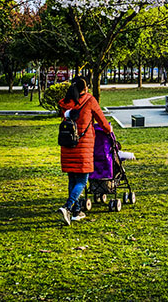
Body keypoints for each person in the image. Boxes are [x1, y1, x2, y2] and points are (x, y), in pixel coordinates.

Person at [57, 77, 112, 225]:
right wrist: (109, 129)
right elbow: (101, 120)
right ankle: (67, 207)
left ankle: (76, 212)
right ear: (85, 88)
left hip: (68, 146)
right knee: (82, 180)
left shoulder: (66, 103)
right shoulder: (89, 100)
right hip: (83, 147)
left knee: (72, 180)